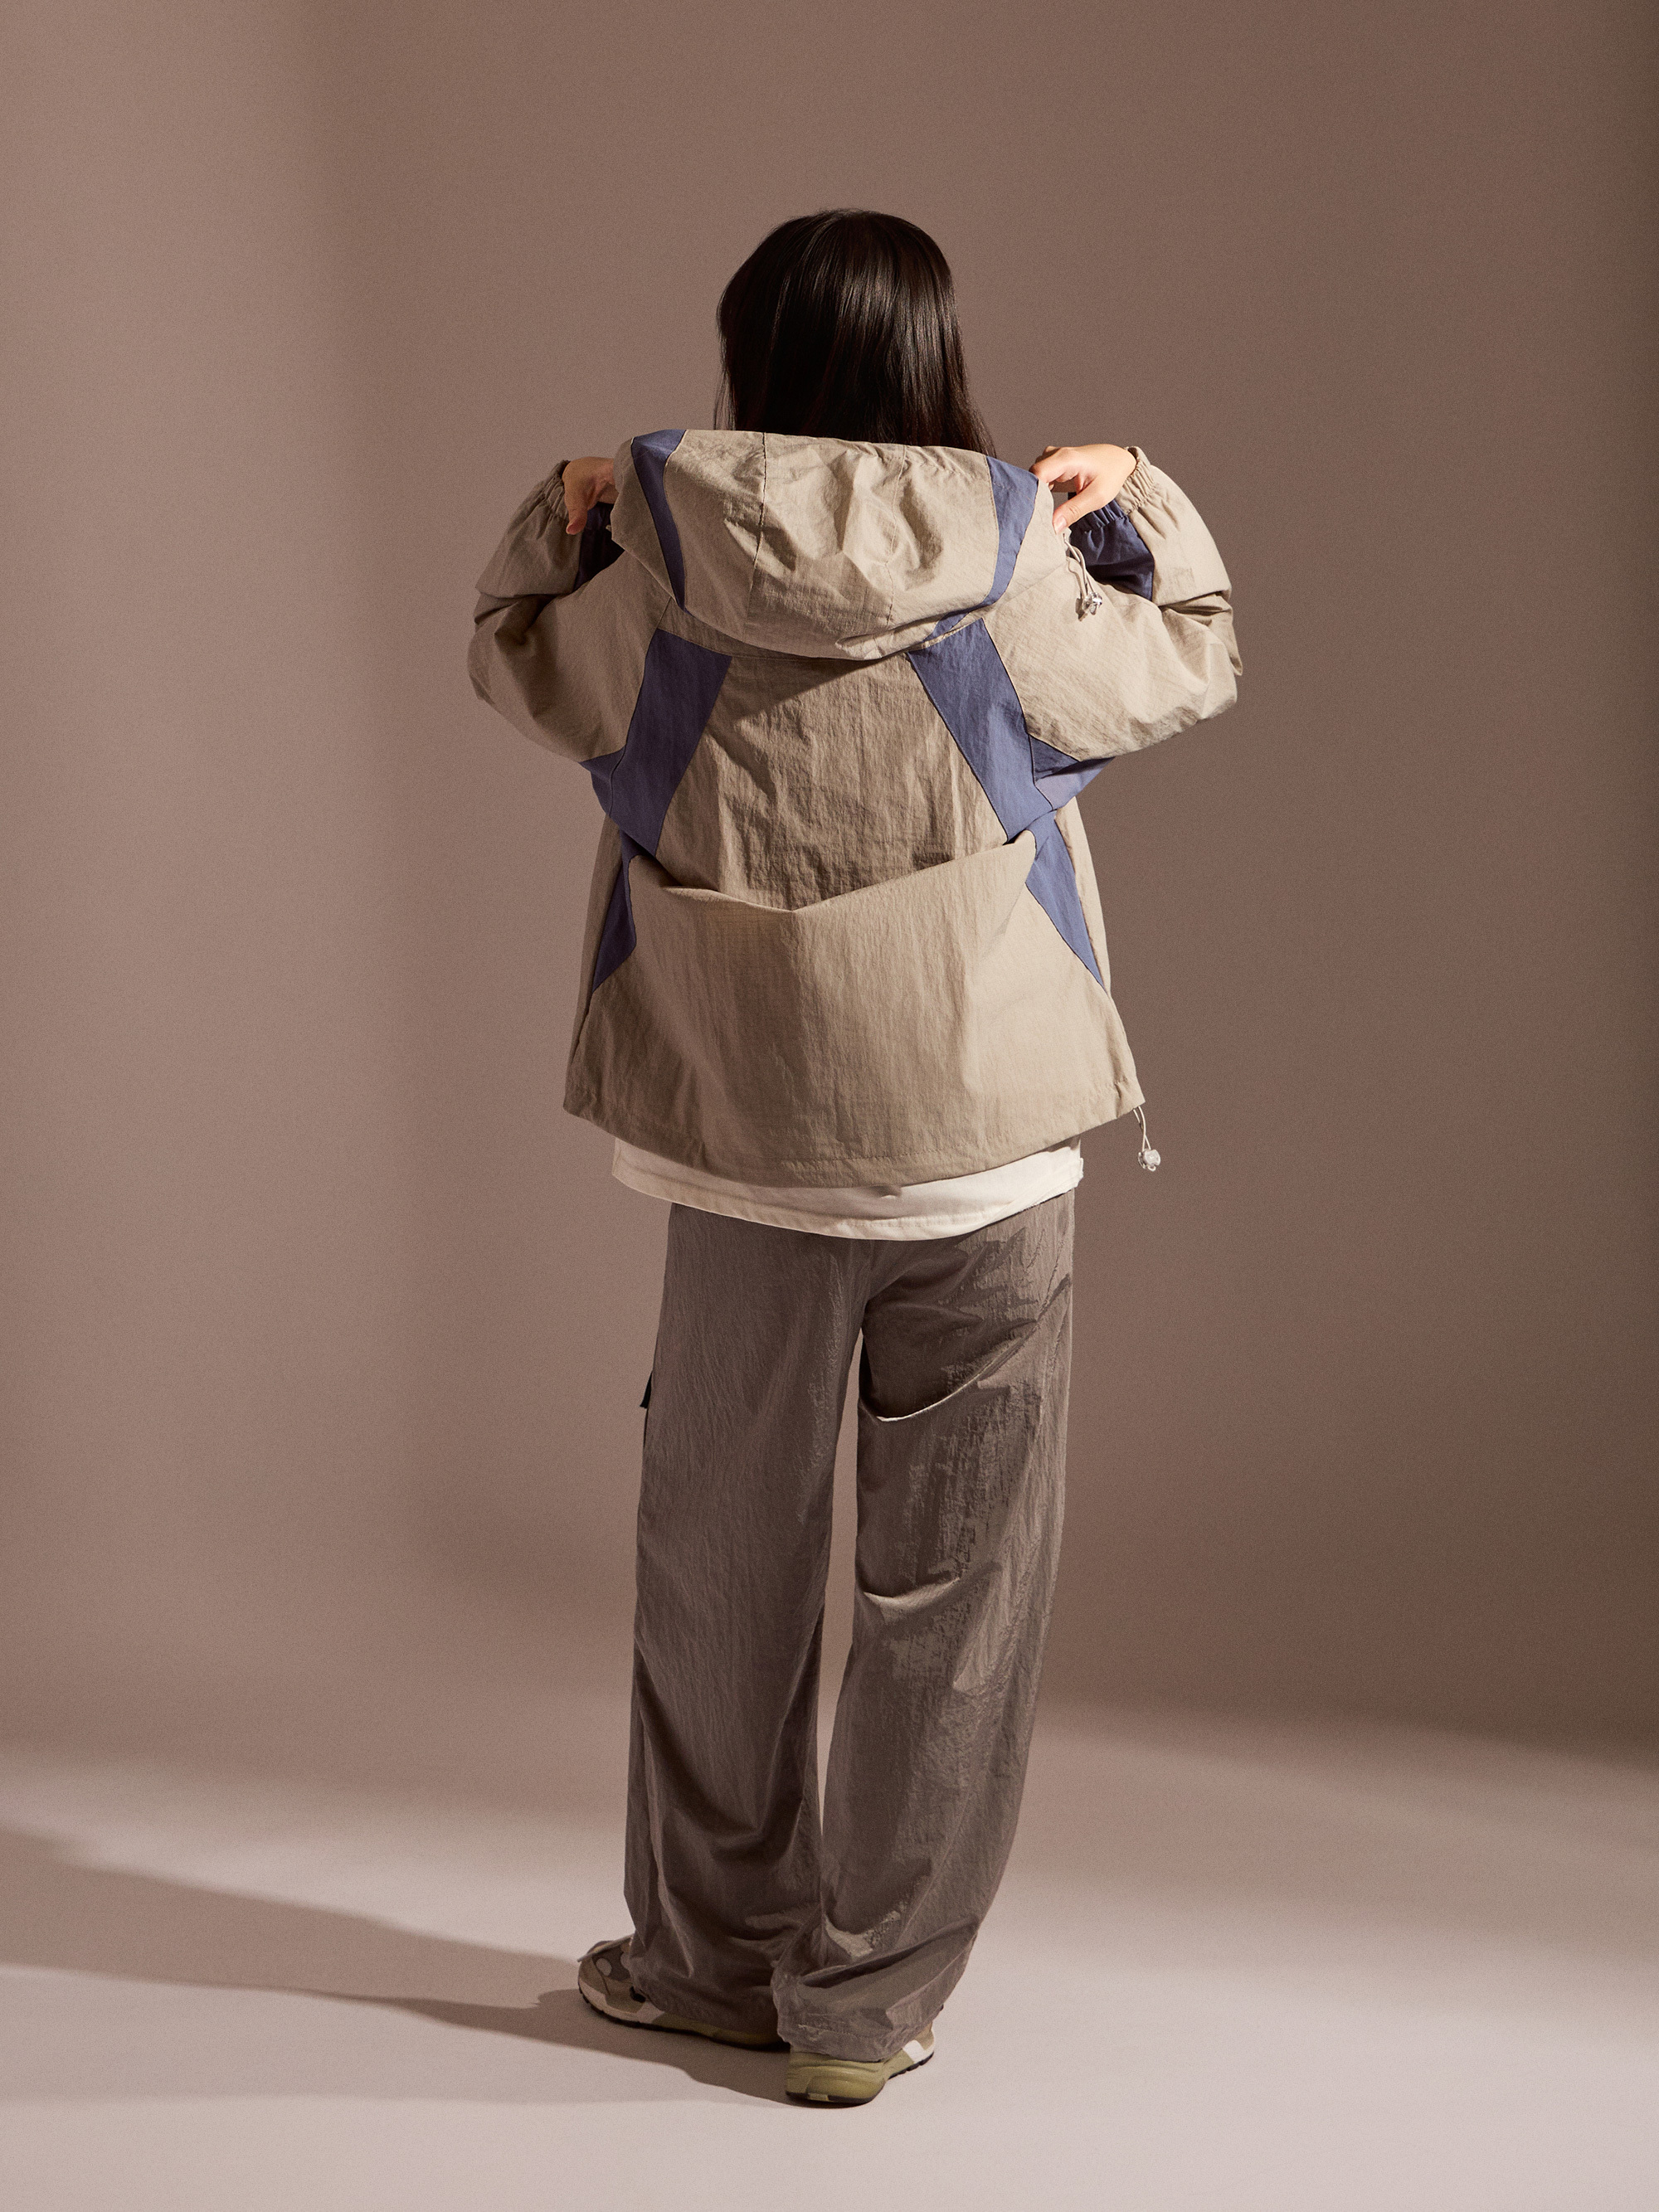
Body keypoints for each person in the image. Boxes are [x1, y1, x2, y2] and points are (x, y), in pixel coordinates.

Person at [467, 209, 1239, 2106]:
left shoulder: (661, 543)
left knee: (721, 1575)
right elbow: (1188, 657)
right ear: (929, 356)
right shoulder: (1015, 548)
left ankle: (707, 1965)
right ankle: (866, 2002)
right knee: (954, 1598)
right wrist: (1136, 493)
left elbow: (518, 662)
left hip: (744, 1150)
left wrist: (567, 508)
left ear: (753, 355)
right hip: (987, 1153)